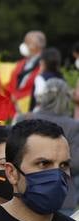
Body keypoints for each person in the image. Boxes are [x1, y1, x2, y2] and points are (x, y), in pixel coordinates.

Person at [28, 77, 79, 212]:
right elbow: (75, 163)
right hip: (63, 196)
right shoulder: (72, 125)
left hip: (29, 192)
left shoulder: (25, 119)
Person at [6, 29, 46, 105]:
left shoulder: (44, 65)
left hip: (30, 106)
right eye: (25, 42)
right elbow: (12, 83)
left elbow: (36, 88)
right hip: (14, 106)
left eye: (28, 43)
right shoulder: (21, 63)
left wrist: (18, 97)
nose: (24, 45)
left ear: (38, 46)